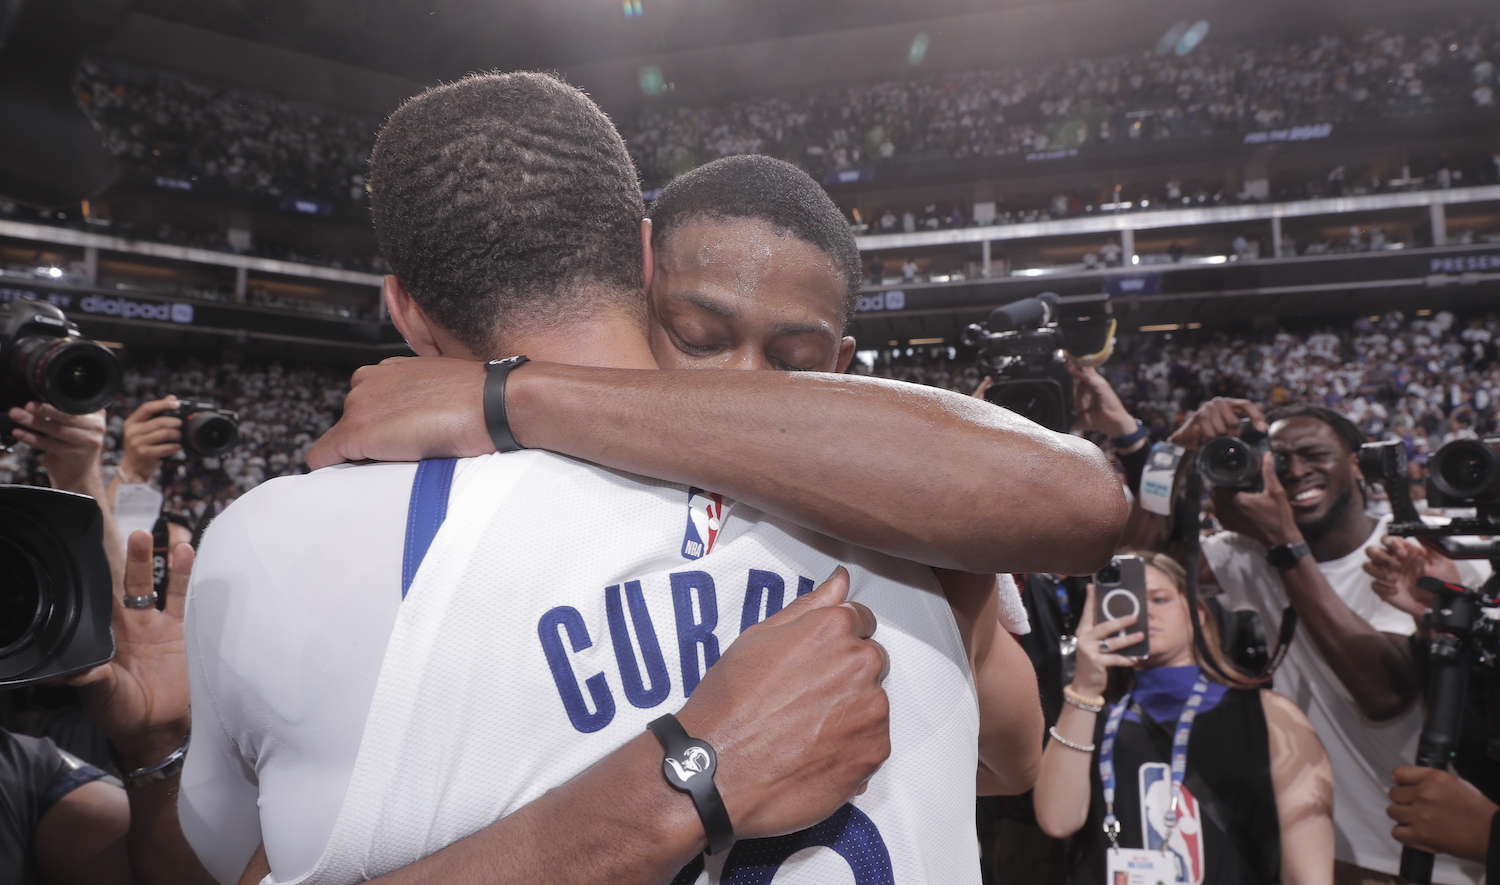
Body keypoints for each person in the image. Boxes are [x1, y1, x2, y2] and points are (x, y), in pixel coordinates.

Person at [184, 75, 1110, 885]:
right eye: (701, 340)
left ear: (404, 312)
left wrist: (512, 395)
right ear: (644, 265)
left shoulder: (913, 500)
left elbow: (1014, 737)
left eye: (794, 362)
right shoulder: (912, 498)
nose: (743, 387)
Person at [1131, 398, 1485, 885]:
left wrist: (1284, 544)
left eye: (1314, 454)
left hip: (1446, 856)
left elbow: (1386, 695)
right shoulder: (1250, 553)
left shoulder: (1425, 554)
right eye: (1278, 458)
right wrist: (1176, 451)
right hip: (1322, 850)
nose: (1295, 470)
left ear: (1358, 464)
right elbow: (1136, 573)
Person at [1033, 551, 1333, 885]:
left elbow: (1310, 874)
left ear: (1198, 612)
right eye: (1127, 603)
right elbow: (1057, 820)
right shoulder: (1090, 716)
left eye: (1159, 599)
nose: (1144, 613)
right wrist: (1084, 688)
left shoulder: (1270, 715)